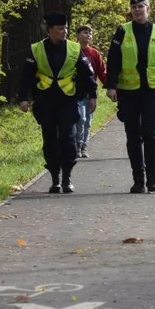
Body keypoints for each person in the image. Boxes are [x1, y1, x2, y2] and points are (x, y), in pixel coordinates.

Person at [106, 0, 155, 194]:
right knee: (133, 136)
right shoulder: (122, 31)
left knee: (150, 133)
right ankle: (138, 180)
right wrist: (111, 85)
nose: (137, 10)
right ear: (130, 11)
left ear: (148, 9)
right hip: (129, 92)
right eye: (134, 8)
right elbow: (113, 60)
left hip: (152, 91)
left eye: (141, 7)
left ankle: (152, 178)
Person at [19, 12, 97, 194]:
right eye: (61, 28)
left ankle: (67, 178)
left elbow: (87, 73)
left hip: (68, 100)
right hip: (45, 100)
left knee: (68, 139)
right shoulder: (36, 49)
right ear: (50, 30)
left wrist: (92, 95)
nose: (65, 31)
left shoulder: (74, 49)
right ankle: (55, 178)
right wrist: (23, 98)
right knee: (50, 140)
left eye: (66, 28)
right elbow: (26, 76)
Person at [73, 24, 106, 158]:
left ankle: (84, 145)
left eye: (90, 33)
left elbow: (102, 71)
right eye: (85, 32)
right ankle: (77, 144)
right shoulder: (72, 51)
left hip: (90, 92)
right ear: (78, 35)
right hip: (75, 91)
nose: (88, 35)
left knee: (88, 122)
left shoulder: (94, 53)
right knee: (80, 118)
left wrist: (111, 87)